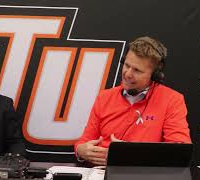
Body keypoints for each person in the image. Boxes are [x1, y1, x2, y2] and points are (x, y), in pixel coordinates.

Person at [75, 36, 191, 165]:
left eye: (137, 70)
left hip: (144, 173)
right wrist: (81, 150)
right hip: (101, 172)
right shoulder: (104, 97)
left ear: (154, 75)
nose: (128, 73)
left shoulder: (172, 100)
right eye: (127, 65)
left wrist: (132, 154)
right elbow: (85, 140)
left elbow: (179, 151)